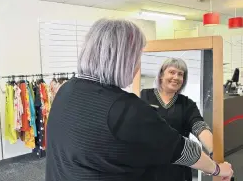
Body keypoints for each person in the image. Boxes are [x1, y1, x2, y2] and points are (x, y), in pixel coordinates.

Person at [45, 19, 233, 181]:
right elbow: (182, 150)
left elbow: (198, 126)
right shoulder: (127, 108)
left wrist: (213, 149)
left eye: (180, 74)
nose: (137, 66)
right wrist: (217, 169)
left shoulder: (66, 90)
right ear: (122, 60)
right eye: (136, 58)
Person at [140, 57, 215, 181]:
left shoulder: (187, 104)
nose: (176, 77)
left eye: (180, 74)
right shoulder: (144, 96)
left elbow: (199, 127)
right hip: (146, 167)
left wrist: (213, 152)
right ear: (161, 75)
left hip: (178, 170)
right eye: (172, 72)